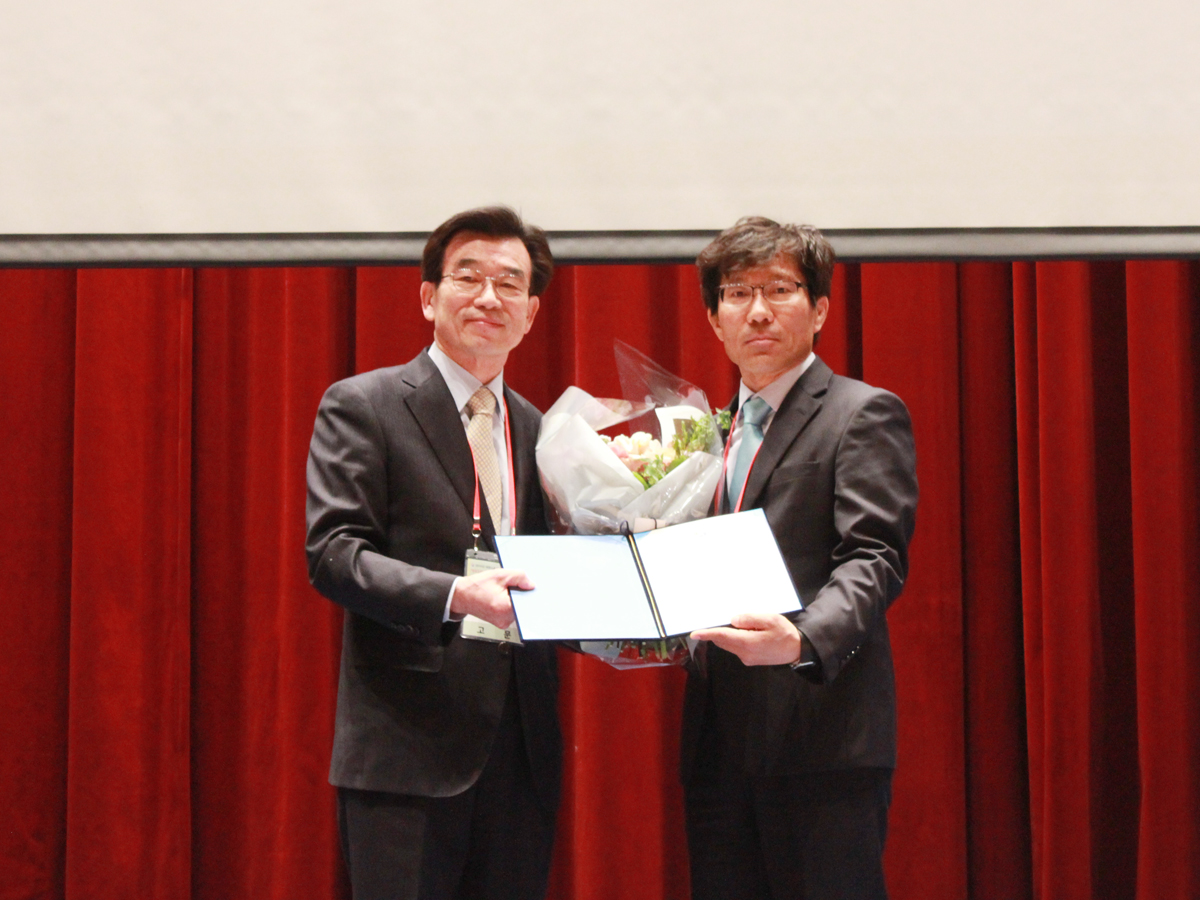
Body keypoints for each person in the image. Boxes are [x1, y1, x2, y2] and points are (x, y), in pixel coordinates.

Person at [305, 206, 561, 900]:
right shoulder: (366, 405)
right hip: (408, 751)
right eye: (468, 277)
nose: (489, 297)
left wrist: (632, 621)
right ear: (429, 296)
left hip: (521, 754)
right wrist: (455, 595)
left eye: (510, 284)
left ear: (531, 313)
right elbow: (334, 553)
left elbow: (549, 573)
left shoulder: (543, 430)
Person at [684, 217, 918, 900]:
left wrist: (802, 640)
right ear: (714, 318)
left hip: (821, 737)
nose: (757, 310)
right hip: (716, 744)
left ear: (818, 310)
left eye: (779, 289)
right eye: (737, 293)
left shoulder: (861, 413)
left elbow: (873, 556)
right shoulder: (705, 435)